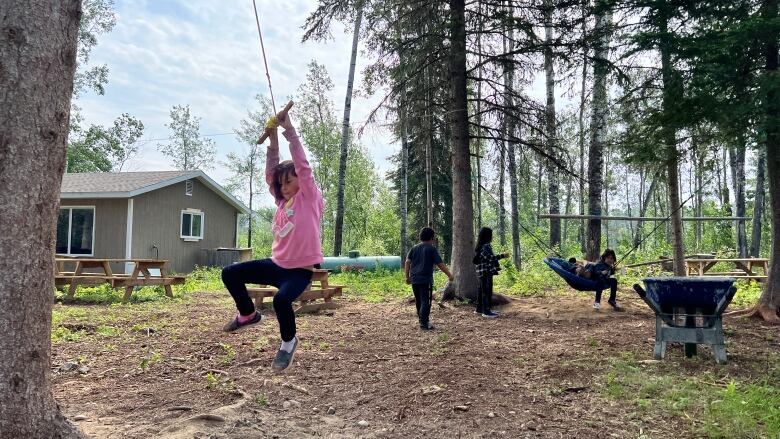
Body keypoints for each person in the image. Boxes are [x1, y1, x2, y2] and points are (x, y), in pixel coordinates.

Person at [220, 111, 324, 372]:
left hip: (300, 271)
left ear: (301, 180)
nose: (285, 186)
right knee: (230, 273)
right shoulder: (281, 202)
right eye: (282, 183)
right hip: (276, 264)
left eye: (289, 181)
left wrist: (289, 131)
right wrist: (273, 141)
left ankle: (288, 343)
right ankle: (248, 314)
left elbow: (303, 165)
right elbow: (271, 174)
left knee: (280, 301)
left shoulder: (309, 197)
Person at [405, 227, 453, 330]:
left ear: (420, 237)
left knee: (419, 300)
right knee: (425, 301)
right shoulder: (431, 249)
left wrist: (407, 276)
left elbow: (407, 262)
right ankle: (424, 323)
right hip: (425, 280)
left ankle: (421, 320)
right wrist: (449, 275)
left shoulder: (414, 248)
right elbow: (440, 264)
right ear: (432, 237)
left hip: (414, 279)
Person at [473, 227, 509, 318]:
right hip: (486, 271)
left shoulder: (481, 246)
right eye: (491, 235)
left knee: (481, 289)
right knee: (486, 290)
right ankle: (486, 311)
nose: (492, 237)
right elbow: (490, 258)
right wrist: (502, 255)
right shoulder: (485, 246)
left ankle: (479, 309)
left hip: (482, 271)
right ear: (487, 236)